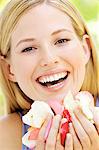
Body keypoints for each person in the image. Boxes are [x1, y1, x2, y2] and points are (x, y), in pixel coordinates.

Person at [0, 0, 99, 149]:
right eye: (28, 49)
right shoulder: (5, 137)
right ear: (9, 69)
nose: (49, 59)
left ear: (85, 49)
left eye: (61, 40)